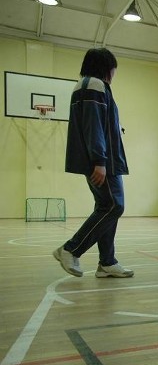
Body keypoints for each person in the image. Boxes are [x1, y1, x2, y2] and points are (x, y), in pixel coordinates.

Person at [53, 48, 133, 278]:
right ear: (107, 67)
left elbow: (101, 123)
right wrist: (100, 160)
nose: (115, 73)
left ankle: (107, 262)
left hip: (108, 159)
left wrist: (116, 132)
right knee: (113, 206)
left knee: (107, 208)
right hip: (103, 161)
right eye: (114, 68)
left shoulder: (90, 86)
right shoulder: (94, 85)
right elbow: (92, 124)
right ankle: (70, 250)